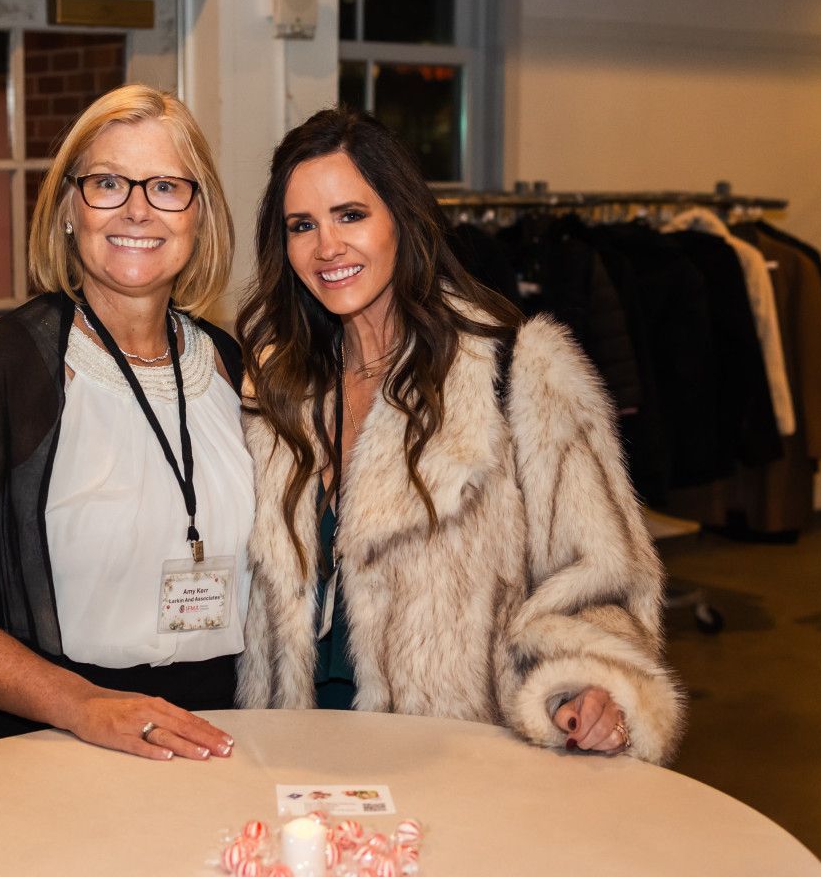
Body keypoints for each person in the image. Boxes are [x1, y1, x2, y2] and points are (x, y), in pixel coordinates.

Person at [235, 108, 685, 764]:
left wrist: (592, 687)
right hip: (289, 756)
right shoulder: (277, 385)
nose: (326, 246)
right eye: (302, 225)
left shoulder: (515, 373)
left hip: (456, 761)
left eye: (350, 215)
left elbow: (600, 581)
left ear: (402, 218)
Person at [0, 85, 249, 761]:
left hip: (222, 734)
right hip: (49, 740)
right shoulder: (6, 368)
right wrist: (81, 705)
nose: (137, 209)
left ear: (201, 217)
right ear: (69, 209)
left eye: (166, 186)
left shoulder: (227, 363)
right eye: (108, 182)